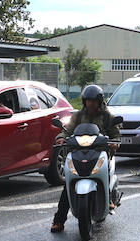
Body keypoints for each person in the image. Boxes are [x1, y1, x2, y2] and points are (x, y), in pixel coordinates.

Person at [50, 85, 119, 232]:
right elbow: (68, 129)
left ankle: (109, 198)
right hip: (79, 152)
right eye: (88, 101)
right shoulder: (78, 116)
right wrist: (61, 137)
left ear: (99, 101)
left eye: (93, 101)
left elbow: (115, 133)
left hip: (100, 152)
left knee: (104, 170)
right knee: (68, 185)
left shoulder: (107, 116)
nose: (90, 104)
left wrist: (114, 142)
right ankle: (59, 220)